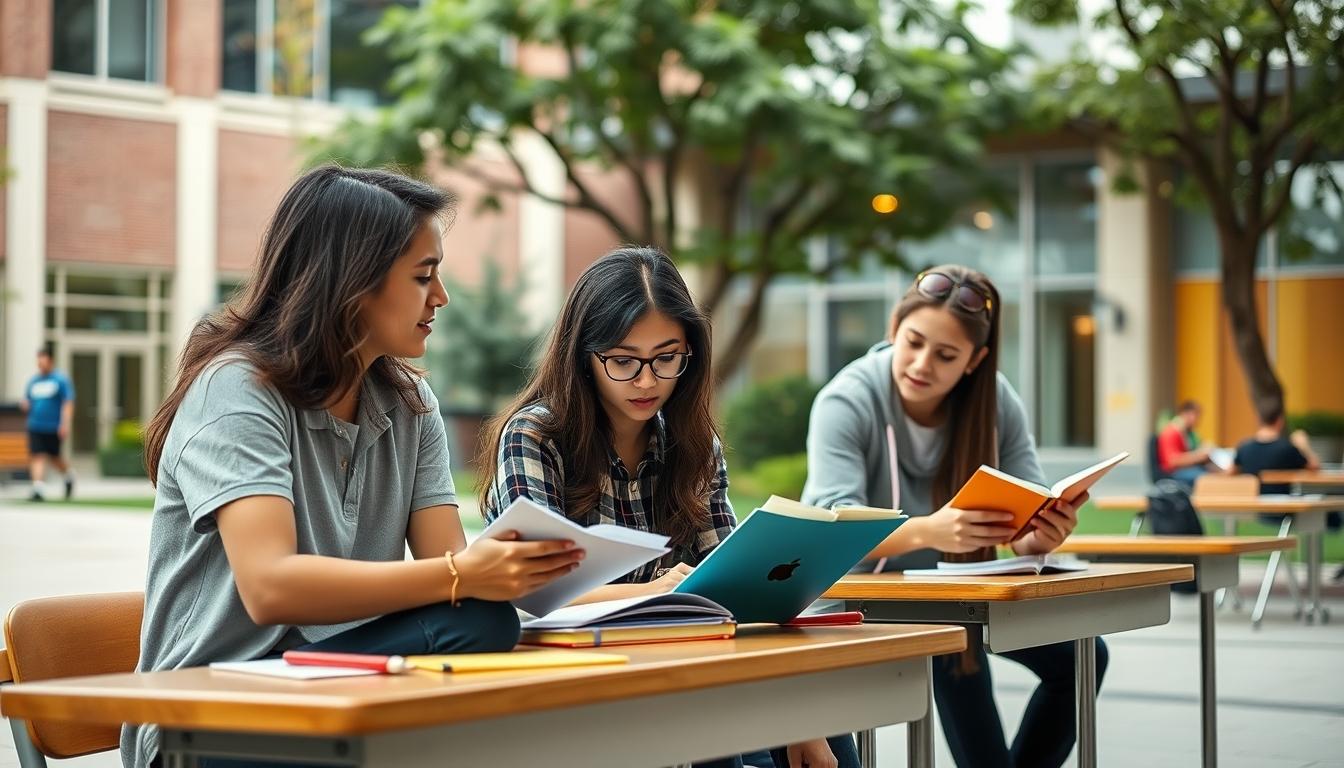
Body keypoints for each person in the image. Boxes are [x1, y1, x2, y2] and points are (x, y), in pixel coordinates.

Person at [124, 166, 584, 768]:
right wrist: (464, 575)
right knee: (476, 625)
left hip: (348, 688)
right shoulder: (236, 389)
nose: (440, 297)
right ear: (355, 282)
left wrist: (500, 571)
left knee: (482, 622)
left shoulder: (411, 406)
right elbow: (269, 587)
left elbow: (451, 571)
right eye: (424, 276)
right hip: (207, 717)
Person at [479, 246, 859, 768]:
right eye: (622, 361)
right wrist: (654, 594)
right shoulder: (535, 436)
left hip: (686, 668)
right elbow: (534, 590)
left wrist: (798, 712)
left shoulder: (694, 445)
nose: (647, 380)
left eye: (666, 358)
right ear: (583, 357)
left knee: (827, 733)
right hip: (579, 683)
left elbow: (734, 589)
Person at [802, 265, 1106, 768]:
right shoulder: (847, 398)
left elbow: (1029, 504)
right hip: (857, 598)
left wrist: (1037, 539)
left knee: (1085, 657)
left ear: (974, 361)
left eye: (946, 356)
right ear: (893, 329)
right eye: (913, 342)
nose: (922, 364)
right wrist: (928, 529)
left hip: (955, 597)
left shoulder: (995, 400)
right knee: (951, 649)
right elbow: (827, 525)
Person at [20, 346, 77, 501]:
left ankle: (69, 476)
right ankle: (38, 489)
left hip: (53, 427)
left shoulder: (60, 380)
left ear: (50, 361)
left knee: (54, 458)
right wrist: (25, 405)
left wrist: (65, 424)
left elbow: (68, 403)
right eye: (38, 361)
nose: (40, 365)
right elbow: (27, 400)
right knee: (37, 455)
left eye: (43, 361)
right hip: (35, 425)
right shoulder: (34, 381)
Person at [1232, 406, 1321, 493]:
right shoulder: (1288, 448)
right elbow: (1315, 468)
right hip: (1282, 503)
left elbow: (1230, 474)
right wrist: (1304, 446)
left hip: (1251, 502)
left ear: (1258, 420)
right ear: (1280, 421)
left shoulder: (1244, 447)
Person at [1157, 401, 1216, 488]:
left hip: (1187, 468)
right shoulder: (1171, 432)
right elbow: (1172, 461)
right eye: (1196, 415)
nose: (1198, 420)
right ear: (1185, 414)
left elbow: (1195, 447)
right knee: (1208, 479)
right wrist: (1198, 455)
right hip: (1174, 472)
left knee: (1214, 473)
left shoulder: (1189, 433)